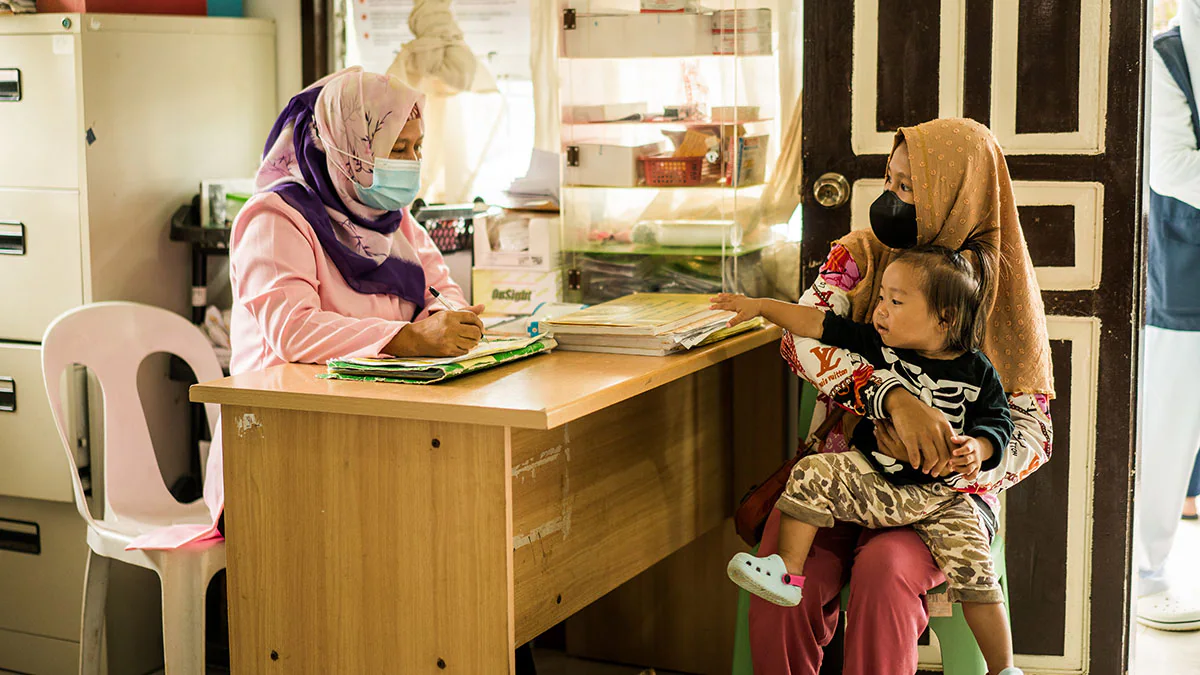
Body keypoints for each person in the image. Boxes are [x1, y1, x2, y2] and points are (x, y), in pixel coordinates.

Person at [746, 118, 1054, 675]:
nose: (891, 200)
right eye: (891, 181)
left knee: (886, 568)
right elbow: (800, 340)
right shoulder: (860, 258)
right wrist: (889, 398)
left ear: (956, 194)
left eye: (909, 188)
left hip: (946, 498)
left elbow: (1033, 432)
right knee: (785, 564)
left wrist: (959, 456)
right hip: (850, 473)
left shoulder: (999, 294)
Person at [714, 241, 1023, 675]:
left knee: (976, 576)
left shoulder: (978, 370)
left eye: (895, 302)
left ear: (945, 318)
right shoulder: (879, 345)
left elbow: (999, 427)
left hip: (946, 497)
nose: (880, 311)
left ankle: (1004, 667)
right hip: (876, 484)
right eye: (880, 298)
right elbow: (816, 326)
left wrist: (977, 450)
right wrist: (763, 306)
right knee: (811, 474)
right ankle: (786, 570)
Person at [1137, 0, 1200, 631]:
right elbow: (1172, 165)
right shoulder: (1165, 55)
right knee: (1169, 423)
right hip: (1188, 268)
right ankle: (1145, 572)